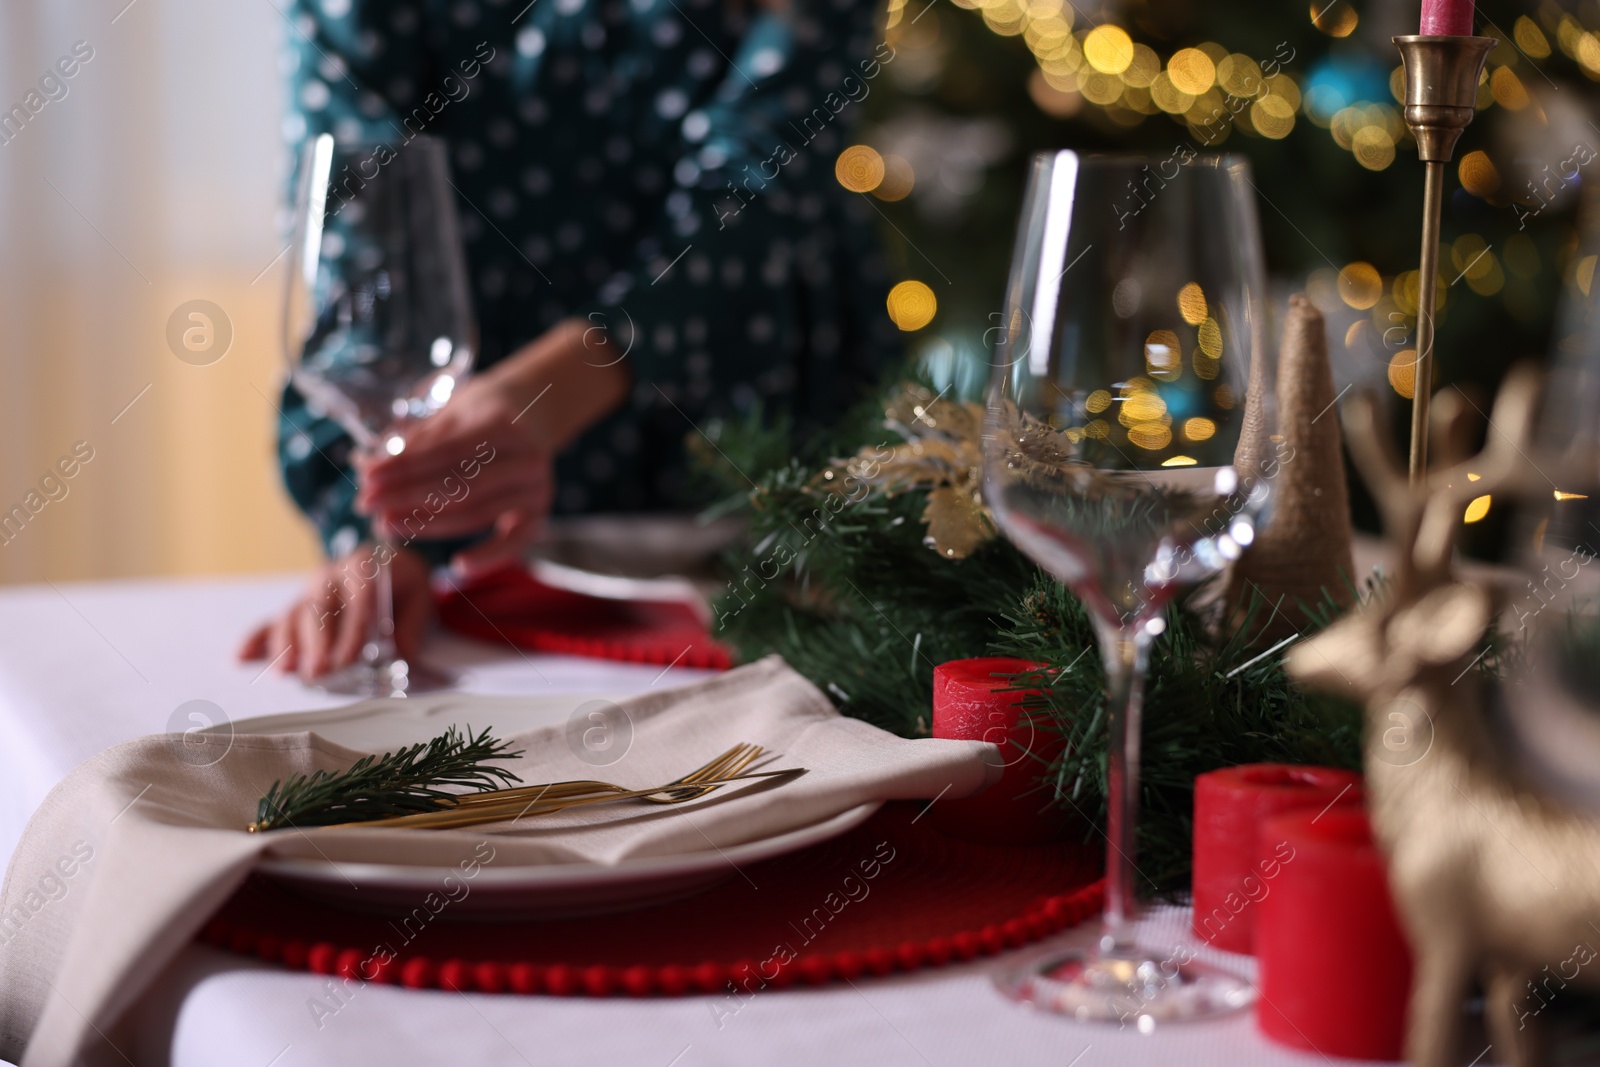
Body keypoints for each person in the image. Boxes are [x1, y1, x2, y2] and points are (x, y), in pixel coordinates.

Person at [239, 0, 900, 677]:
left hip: (748, 458)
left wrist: (545, 393)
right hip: (477, 491)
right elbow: (368, 244)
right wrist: (388, 536)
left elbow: (755, 199)